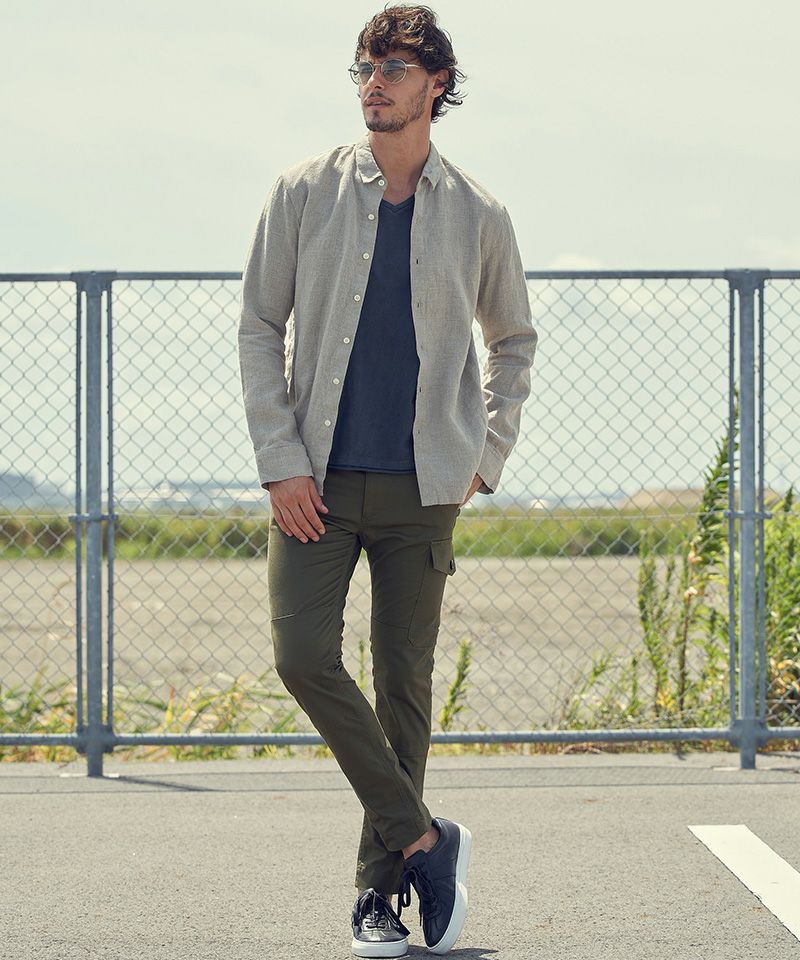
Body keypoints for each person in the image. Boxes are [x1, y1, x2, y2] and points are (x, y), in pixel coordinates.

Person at [237, 4, 538, 956]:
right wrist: (280, 461)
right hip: (314, 483)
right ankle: (422, 839)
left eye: (394, 68)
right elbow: (258, 327)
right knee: (301, 656)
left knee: (404, 687)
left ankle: (379, 896)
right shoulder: (304, 191)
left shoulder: (479, 213)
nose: (374, 83)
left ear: (436, 85)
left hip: (424, 489)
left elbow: (514, 341)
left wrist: (484, 454)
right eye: (365, 67)